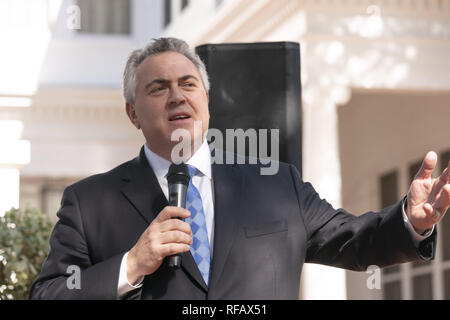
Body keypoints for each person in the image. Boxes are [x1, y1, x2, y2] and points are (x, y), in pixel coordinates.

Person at [30, 38, 449, 300]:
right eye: (158, 88)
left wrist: (410, 222)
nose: (177, 96)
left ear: (207, 101)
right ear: (132, 113)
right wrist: (132, 265)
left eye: (188, 84)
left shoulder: (276, 182)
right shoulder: (88, 202)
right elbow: (50, 293)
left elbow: (356, 240)